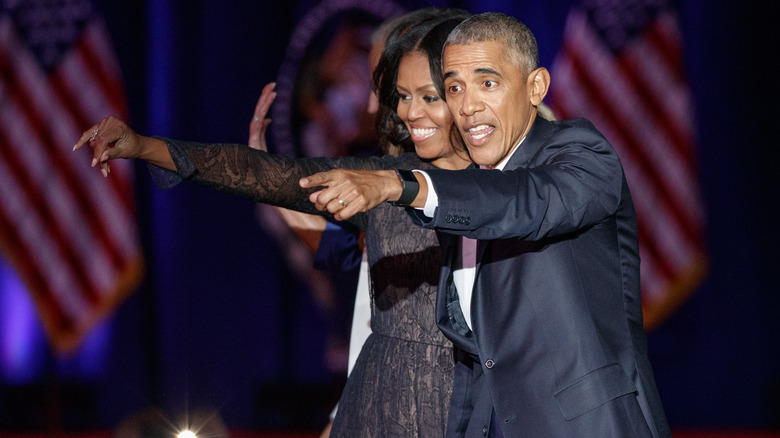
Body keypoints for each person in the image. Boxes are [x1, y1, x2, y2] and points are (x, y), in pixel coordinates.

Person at [76, 11, 471, 437]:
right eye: (400, 94)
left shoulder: (515, 179)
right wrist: (144, 146)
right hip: (382, 410)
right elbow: (268, 178)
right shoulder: (372, 180)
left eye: (428, 96)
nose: (406, 111)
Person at [301, 12, 672, 438]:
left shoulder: (581, 154)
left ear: (536, 88)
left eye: (488, 83)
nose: (468, 105)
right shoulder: (465, 191)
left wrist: (400, 185)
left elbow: (525, 201)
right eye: (455, 87)